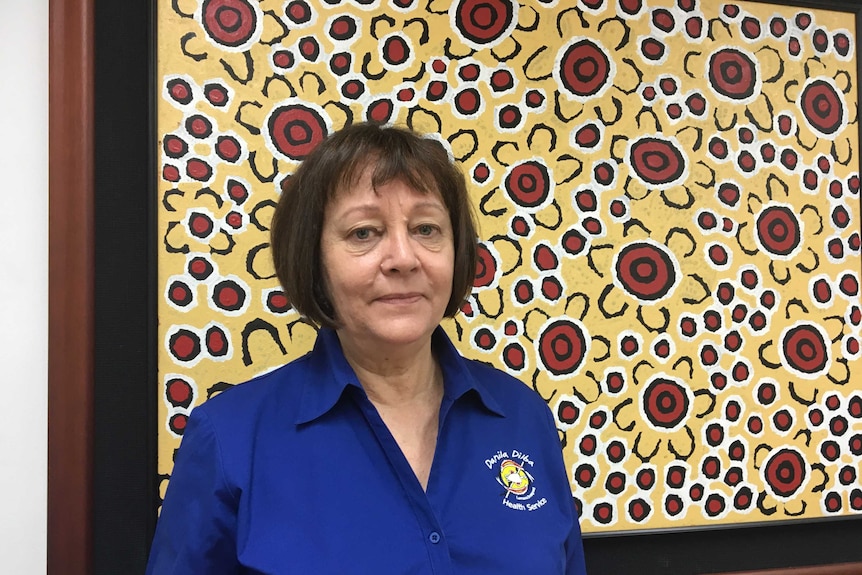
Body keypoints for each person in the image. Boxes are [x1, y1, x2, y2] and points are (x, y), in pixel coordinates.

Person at [146, 122, 587, 574]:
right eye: (364, 233)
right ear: (313, 259)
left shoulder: (523, 418)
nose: (403, 258)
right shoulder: (231, 439)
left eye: (427, 228)